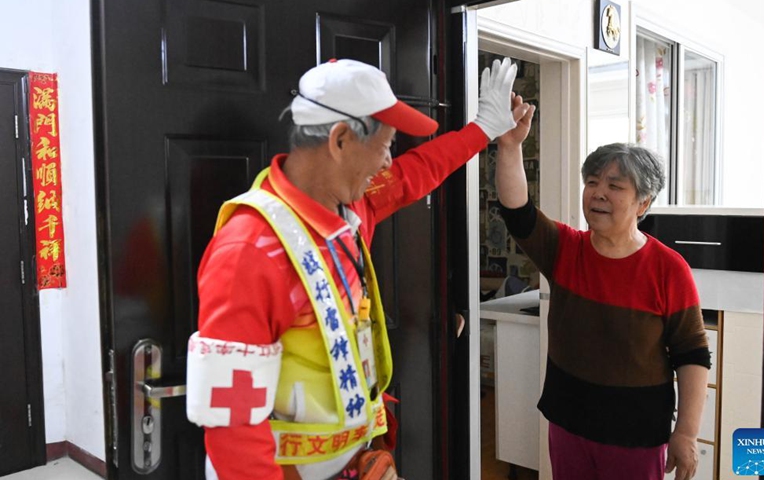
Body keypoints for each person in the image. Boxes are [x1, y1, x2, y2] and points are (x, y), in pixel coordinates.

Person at [185, 57, 531, 479]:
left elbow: (417, 172)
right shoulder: (251, 250)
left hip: (353, 461)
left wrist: (484, 130)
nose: (388, 163)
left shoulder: (349, 208)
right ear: (341, 139)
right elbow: (232, 421)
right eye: (385, 146)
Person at [494, 106, 710, 480]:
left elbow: (692, 354)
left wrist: (686, 433)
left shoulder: (668, 269)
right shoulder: (565, 249)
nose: (598, 193)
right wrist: (510, 145)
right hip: (568, 421)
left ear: (643, 203)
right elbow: (519, 212)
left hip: (636, 435)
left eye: (615, 185)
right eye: (592, 182)